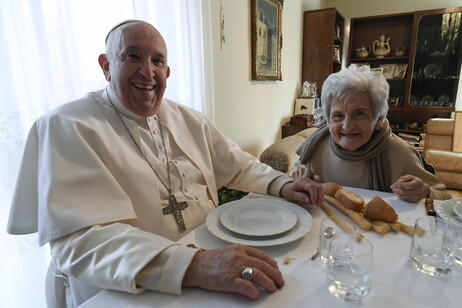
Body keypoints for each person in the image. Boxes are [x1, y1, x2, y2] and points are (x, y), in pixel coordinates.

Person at [6, 20, 323, 307]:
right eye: (132, 57)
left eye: (158, 60)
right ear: (105, 66)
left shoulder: (188, 118)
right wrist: (192, 265)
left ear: (167, 72)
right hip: (129, 284)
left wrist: (282, 184)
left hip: (212, 256)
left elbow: (239, 164)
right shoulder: (67, 126)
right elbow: (80, 241)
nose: (148, 71)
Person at [292, 65, 451, 202]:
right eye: (338, 115)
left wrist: (424, 191)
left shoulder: (399, 153)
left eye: (359, 114)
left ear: (378, 119)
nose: (347, 126)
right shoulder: (315, 147)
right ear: (328, 120)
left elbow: (445, 198)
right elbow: (292, 182)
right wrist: (298, 182)